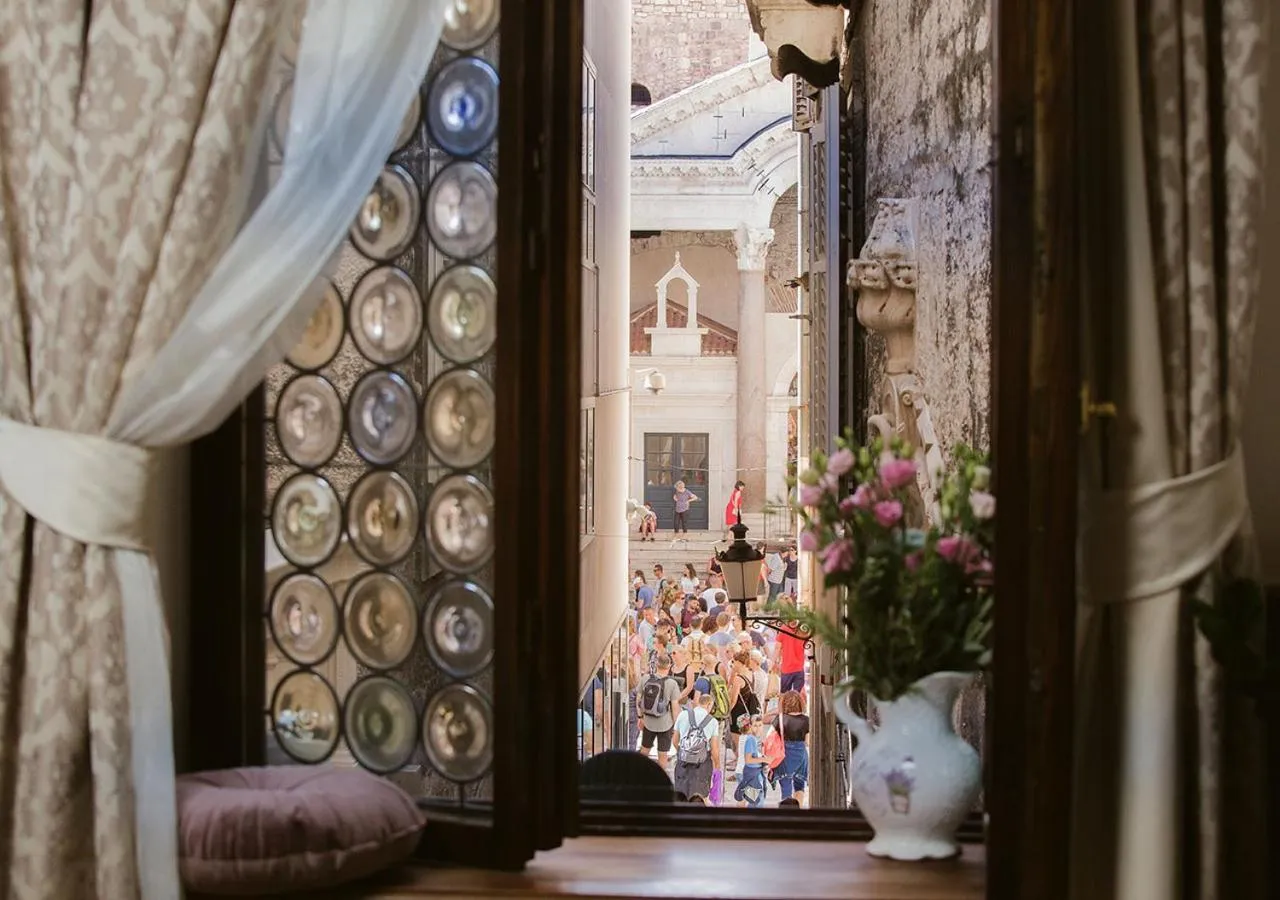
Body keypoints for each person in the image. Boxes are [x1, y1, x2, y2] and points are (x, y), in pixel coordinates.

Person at [672, 694, 722, 802]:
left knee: (681, 796)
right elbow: (714, 749)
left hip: (683, 762)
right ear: (709, 705)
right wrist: (717, 766)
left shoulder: (683, 715)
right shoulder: (712, 721)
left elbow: (675, 740)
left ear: (698, 702)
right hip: (702, 764)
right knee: (701, 797)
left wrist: (684, 752)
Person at [637, 654, 682, 768]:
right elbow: (675, 707)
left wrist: (640, 717)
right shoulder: (672, 683)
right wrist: (676, 725)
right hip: (665, 724)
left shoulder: (646, 678)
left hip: (648, 721)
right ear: (669, 666)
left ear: (656, 664)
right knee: (663, 754)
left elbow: (638, 699)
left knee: (644, 750)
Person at [773, 690, 811, 806]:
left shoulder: (779, 719)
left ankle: (786, 812)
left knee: (786, 786)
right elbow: (807, 742)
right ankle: (798, 811)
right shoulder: (806, 720)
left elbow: (773, 739)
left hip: (784, 755)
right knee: (799, 786)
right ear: (800, 703)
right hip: (801, 755)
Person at [734, 715, 767, 808]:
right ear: (749, 726)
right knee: (756, 800)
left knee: (743, 799)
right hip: (749, 773)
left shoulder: (742, 738)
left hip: (739, 771)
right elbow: (751, 758)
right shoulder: (751, 739)